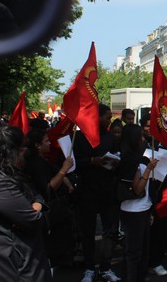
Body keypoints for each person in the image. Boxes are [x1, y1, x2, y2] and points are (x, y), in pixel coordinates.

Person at [73, 104, 122, 282]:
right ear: (97, 117)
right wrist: (91, 161)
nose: (110, 120)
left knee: (110, 230)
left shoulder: (110, 137)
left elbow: (118, 157)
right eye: (107, 117)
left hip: (107, 190)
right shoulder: (80, 137)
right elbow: (72, 163)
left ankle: (106, 267)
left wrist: (115, 162)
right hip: (87, 191)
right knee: (88, 231)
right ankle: (89, 268)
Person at [0, 126, 52, 281]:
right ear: (10, 152)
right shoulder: (2, 183)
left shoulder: (11, 175)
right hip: (18, 265)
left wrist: (37, 203)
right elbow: (32, 220)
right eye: (21, 149)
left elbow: (36, 195)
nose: (24, 153)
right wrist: (37, 205)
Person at [23, 127, 75, 267]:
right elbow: (48, 188)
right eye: (46, 141)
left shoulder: (43, 159)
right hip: (49, 215)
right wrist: (64, 169)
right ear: (37, 145)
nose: (50, 143)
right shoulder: (36, 164)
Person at [118, 124, 159, 282]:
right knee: (134, 253)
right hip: (133, 212)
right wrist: (148, 170)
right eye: (140, 136)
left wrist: (150, 211)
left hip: (144, 209)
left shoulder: (139, 158)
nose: (143, 139)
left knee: (143, 252)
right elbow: (137, 189)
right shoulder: (130, 160)